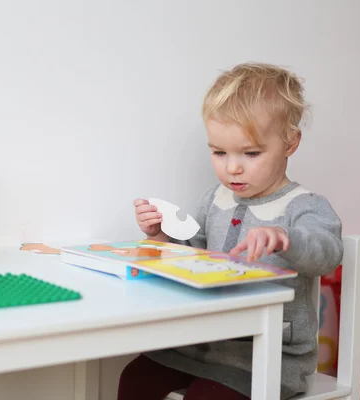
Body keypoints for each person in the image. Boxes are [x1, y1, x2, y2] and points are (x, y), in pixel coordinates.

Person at [121, 62, 344, 400]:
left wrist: (287, 240)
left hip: (267, 357)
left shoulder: (304, 205)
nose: (232, 167)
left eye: (251, 153)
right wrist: (161, 237)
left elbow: (327, 252)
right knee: (135, 377)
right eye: (219, 152)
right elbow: (193, 254)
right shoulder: (215, 199)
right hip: (202, 345)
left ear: (290, 143)